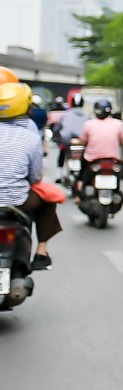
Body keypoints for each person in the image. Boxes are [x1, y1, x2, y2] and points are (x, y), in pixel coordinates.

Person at [0, 83, 58, 269]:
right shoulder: (32, 137)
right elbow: (35, 178)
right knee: (48, 199)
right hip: (17, 202)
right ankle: (41, 253)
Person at [76, 99, 123, 192]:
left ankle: (79, 190)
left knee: (83, 173)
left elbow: (82, 141)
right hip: (113, 160)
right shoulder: (118, 124)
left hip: (92, 160)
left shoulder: (89, 124)